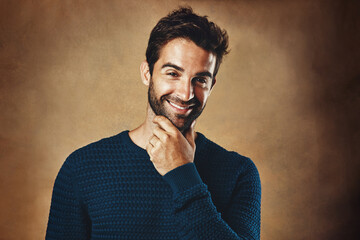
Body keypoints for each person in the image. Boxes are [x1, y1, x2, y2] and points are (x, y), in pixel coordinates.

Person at [46, 6, 261, 240]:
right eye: (173, 73)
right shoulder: (82, 168)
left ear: (212, 86)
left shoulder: (239, 173)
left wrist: (182, 173)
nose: (186, 93)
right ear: (147, 73)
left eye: (200, 80)